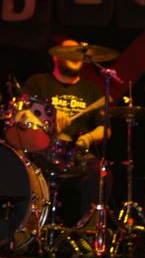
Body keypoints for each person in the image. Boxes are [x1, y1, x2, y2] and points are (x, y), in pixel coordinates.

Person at [22, 39, 110, 227]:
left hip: (75, 155)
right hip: (41, 152)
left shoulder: (91, 90)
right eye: (70, 51)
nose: (76, 55)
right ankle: (27, 228)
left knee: (100, 172)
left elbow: (105, 129)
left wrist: (88, 138)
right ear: (56, 56)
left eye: (79, 52)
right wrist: (49, 119)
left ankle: (89, 233)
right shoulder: (38, 82)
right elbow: (22, 114)